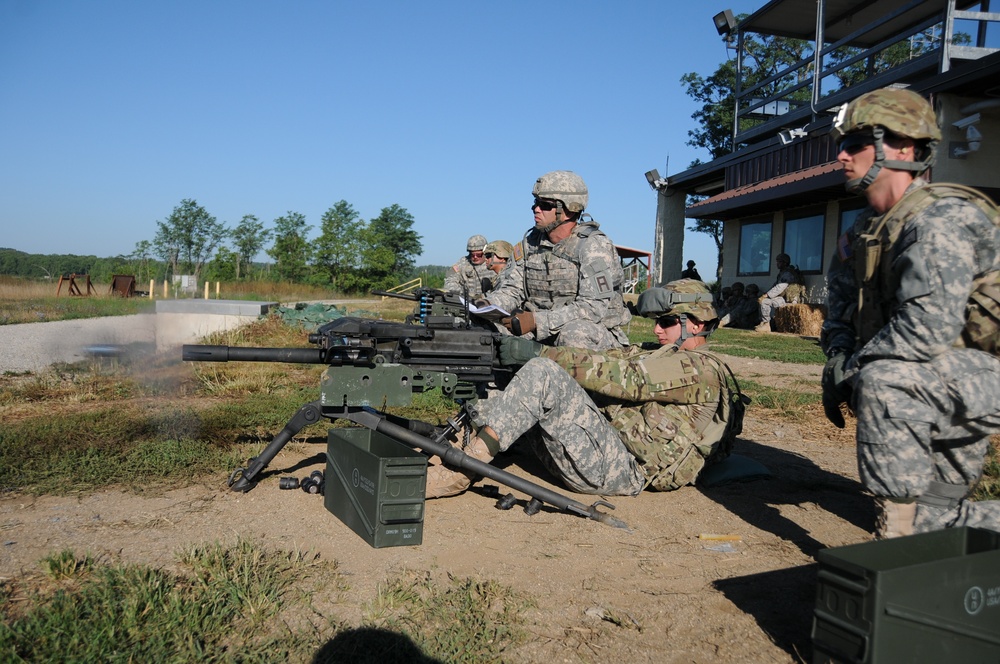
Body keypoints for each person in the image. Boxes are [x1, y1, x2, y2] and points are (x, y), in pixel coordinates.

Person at [822, 86, 1000, 538]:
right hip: (942, 383)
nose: (841, 157)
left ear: (900, 147)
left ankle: (891, 543)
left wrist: (857, 368)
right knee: (935, 526)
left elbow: (926, 330)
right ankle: (915, 532)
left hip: (980, 377)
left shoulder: (940, 221)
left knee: (882, 379)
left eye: (853, 145)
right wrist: (838, 359)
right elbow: (840, 310)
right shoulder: (864, 232)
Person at [425, 279, 747, 499]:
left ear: (698, 324)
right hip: (602, 451)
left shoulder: (698, 368)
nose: (657, 329)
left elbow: (627, 378)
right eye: (656, 321)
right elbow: (603, 357)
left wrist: (539, 354)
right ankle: (456, 448)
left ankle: (459, 472)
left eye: (666, 322)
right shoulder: (662, 354)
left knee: (541, 372)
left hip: (624, 471)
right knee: (503, 382)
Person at [479, 171, 631, 350]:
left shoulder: (593, 247)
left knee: (575, 334)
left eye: (545, 205)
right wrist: (487, 305)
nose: (536, 209)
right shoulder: (529, 245)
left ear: (568, 210)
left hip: (593, 335)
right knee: (490, 331)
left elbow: (592, 308)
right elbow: (512, 290)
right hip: (541, 330)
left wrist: (536, 321)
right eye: (536, 202)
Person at [755, 253, 805, 332]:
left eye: (779, 262)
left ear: (785, 263)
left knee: (765, 302)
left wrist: (767, 295)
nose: (777, 264)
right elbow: (775, 285)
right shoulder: (783, 273)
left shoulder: (787, 274)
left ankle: (766, 325)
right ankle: (764, 323)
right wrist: (766, 293)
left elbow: (780, 287)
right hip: (784, 297)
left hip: (789, 300)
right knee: (763, 300)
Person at [444, 234, 491, 299]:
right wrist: (462, 295)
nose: (475, 257)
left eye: (478, 255)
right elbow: (450, 280)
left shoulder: (493, 263)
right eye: (472, 254)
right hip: (466, 301)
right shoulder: (462, 263)